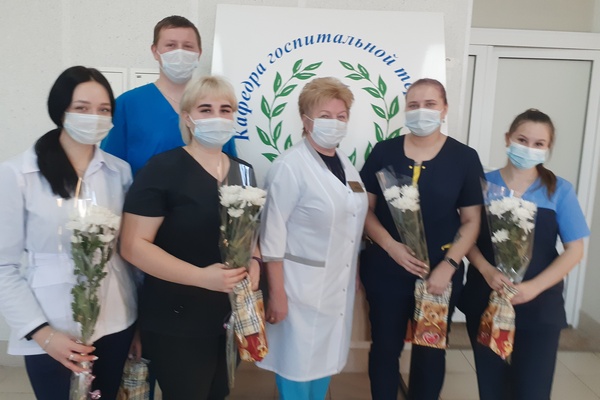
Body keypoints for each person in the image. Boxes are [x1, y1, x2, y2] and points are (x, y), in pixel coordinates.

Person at [119, 75, 260, 400]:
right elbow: (132, 245)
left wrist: (255, 260)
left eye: (225, 109)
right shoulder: (163, 168)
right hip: (177, 317)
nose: (217, 117)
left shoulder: (244, 171)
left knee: (218, 392)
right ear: (187, 117)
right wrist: (200, 277)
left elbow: (252, 233)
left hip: (229, 314)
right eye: (205, 109)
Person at [0, 66, 137, 400]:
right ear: (60, 111)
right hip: (51, 327)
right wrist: (44, 334)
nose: (94, 117)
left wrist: (139, 323)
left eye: (104, 110)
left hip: (117, 321)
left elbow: (128, 252)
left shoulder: (119, 172)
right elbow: (3, 266)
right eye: (82, 108)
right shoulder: (17, 174)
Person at [359, 78, 484, 399]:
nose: (421, 111)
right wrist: (391, 247)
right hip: (387, 270)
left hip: (439, 275)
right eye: (413, 105)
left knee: (430, 352)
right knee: (385, 348)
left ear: (444, 109)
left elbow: (472, 220)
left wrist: (449, 265)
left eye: (430, 104)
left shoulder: (464, 158)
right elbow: (364, 210)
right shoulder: (384, 151)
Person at [459, 109, 589, 400]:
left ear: (548, 148)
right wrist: (486, 270)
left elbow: (575, 250)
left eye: (538, 143)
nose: (529, 148)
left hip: (539, 307)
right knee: (491, 388)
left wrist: (533, 288)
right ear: (508, 138)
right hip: (487, 301)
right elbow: (466, 237)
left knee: (532, 390)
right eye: (522, 139)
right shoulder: (481, 185)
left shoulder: (559, 190)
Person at [256, 77, 368, 399]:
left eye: (341, 116)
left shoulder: (345, 165)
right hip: (297, 288)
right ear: (305, 120)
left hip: (336, 285)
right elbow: (271, 237)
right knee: (296, 365)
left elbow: (351, 222)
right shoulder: (289, 167)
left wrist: (353, 269)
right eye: (325, 115)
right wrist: (277, 294)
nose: (335, 122)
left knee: (322, 363)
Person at [101, 15, 236, 175]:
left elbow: (231, 169)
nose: (180, 52)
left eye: (188, 46)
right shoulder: (128, 104)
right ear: (155, 51)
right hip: (144, 191)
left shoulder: (217, 107)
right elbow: (110, 169)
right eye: (171, 45)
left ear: (199, 53)